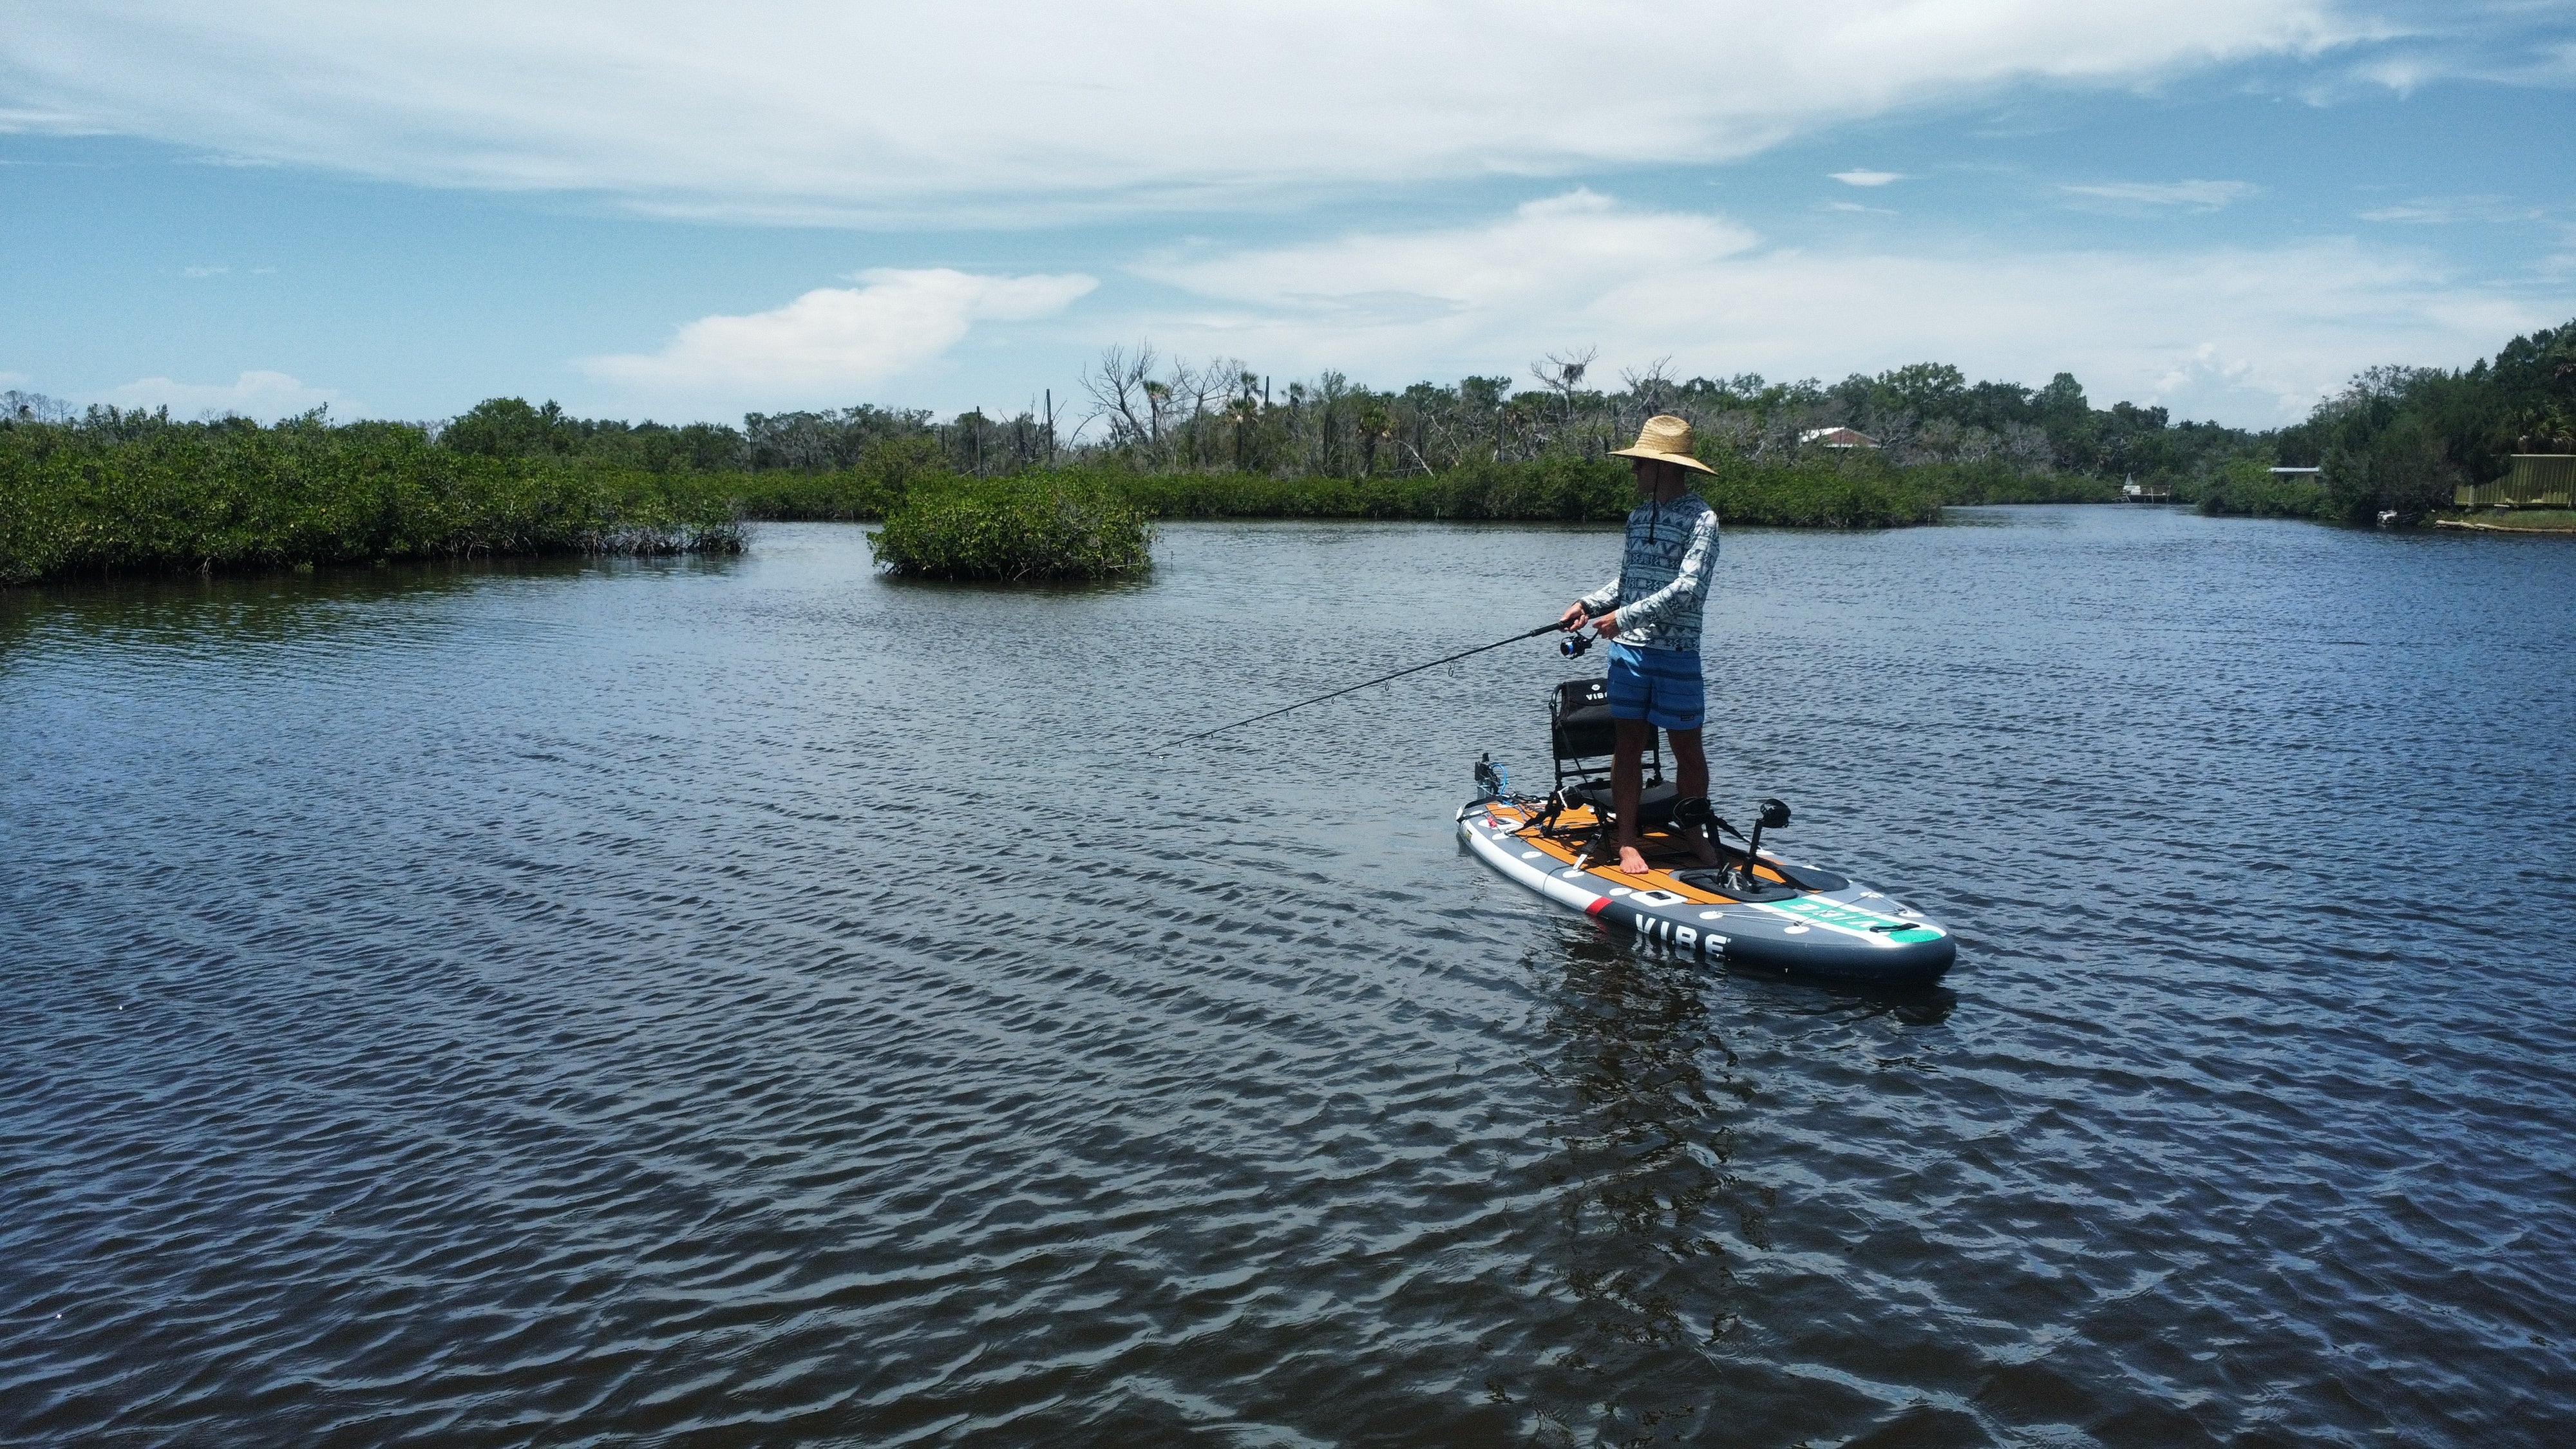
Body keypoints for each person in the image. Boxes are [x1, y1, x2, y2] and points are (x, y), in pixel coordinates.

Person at [1556, 415, 1721, 875]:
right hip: (1629, 652)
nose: (1634, 471)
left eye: (1641, 464)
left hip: (1678, 653)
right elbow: (1630, 581)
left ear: (1666, 467)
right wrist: (1588, 604)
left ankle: (1694, 833)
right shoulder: (1638, 516)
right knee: (1628, 743)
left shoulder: (1702, 519)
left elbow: (1689, 589)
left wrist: (1622, 617)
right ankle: (1627, 840)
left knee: (1687, 748)